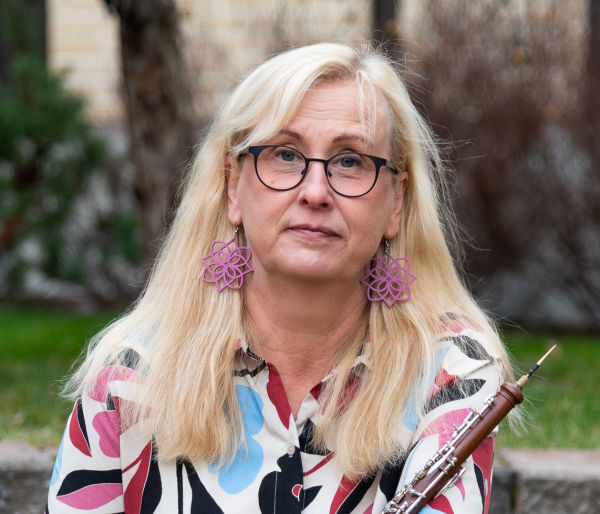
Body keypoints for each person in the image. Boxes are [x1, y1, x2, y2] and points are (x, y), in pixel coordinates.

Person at [47, 42, 514, 513]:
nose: (315, 192)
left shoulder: (453, 371)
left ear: (396, 202)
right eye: (285, 155)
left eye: (350, 161)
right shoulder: (129, 374)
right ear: (233, 186)